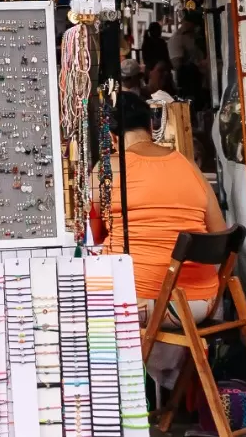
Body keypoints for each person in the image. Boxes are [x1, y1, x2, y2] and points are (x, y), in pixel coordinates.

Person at [99, 89, 225, 388]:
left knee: (79, 301)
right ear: (149, 125)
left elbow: (97, 229)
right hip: (205, 302)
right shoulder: (187, 164)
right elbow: (220, 232)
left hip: (153, 305)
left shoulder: (110, 170)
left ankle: (113, 400)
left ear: (111, 137)